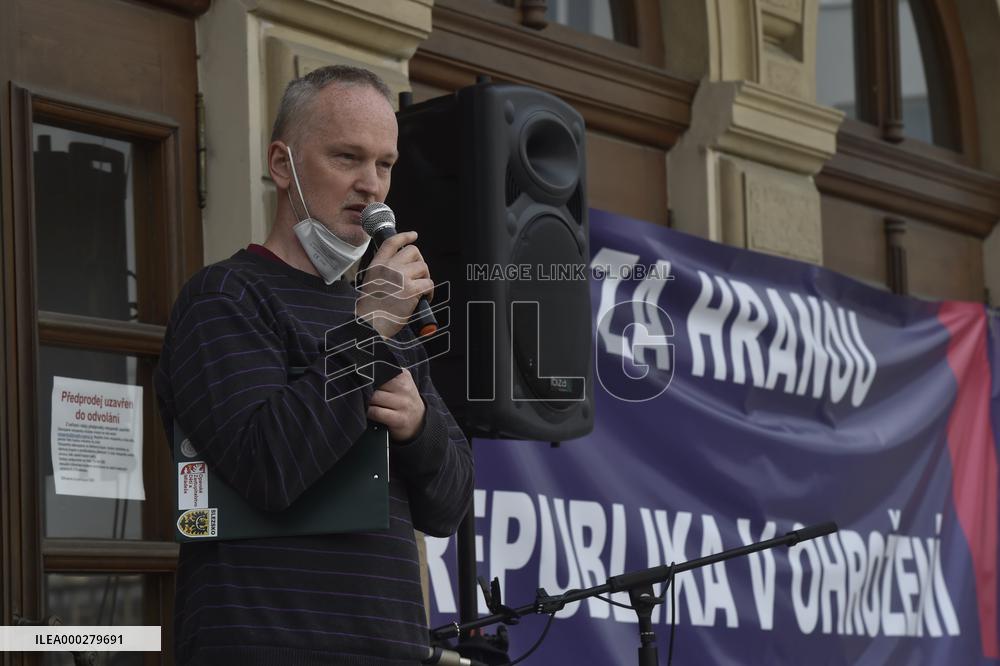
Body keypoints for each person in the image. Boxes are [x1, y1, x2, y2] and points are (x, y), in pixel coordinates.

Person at [154, 65, 474, 665]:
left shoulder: (388, 310)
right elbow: (267, 466)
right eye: (347, 158)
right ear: (283, 165)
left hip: (390, 647)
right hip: (264, 646)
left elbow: (450, 507)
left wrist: (419, 428)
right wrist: (368, 330)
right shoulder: (225, 299)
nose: (371, 186)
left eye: (384, 164)